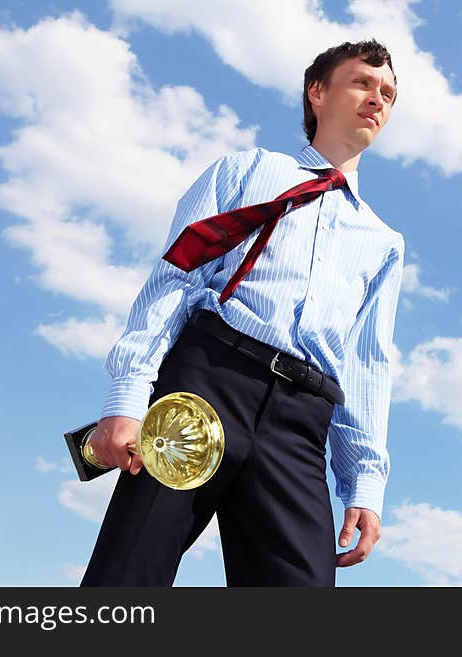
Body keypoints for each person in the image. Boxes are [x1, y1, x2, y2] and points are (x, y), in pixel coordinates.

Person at [81, 39, 404, 587]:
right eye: (363, 83)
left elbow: (366, 366)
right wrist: (129, 398)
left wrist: (363, 484)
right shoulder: (247, 171)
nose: (378, 98)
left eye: (389, 93)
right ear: (317, 92)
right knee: (129, 573)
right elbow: (176, 280)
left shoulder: (383, 241)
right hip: (208, 381)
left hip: (301, 422)